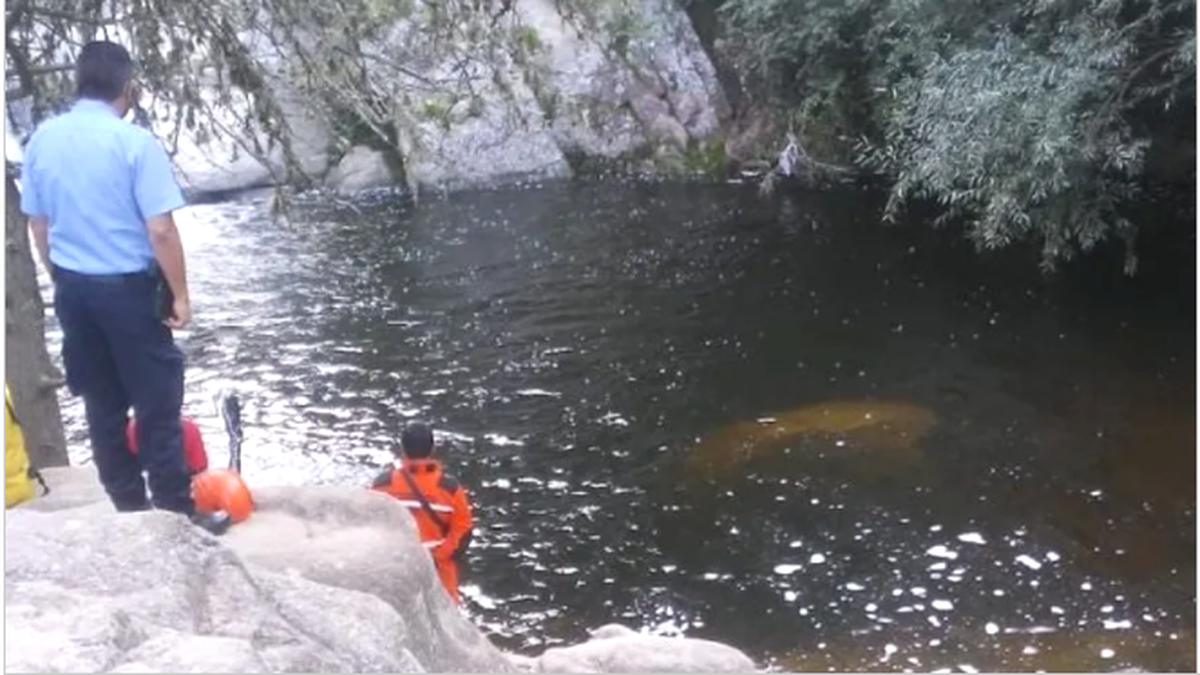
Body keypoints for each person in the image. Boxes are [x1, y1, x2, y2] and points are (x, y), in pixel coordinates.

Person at [18, 40, 221, 531]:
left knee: (101, 400)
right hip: (128, 290)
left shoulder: (42, 140)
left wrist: (59, 276)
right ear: (128, 87)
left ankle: (129, 509)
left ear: (79, 83)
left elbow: (39, 225)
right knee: (156, 398)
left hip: (74, 290)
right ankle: (175, 512)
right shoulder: (134, 144)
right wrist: (181, 294)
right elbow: (160, 230)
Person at [371, 422, 474, 604]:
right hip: (439, 577)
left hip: (397, 571)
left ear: (402, 449)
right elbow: (463, 531)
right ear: (432, 449)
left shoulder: (382, 484)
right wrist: (437, 557)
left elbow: (373, 525)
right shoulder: (448, 488)